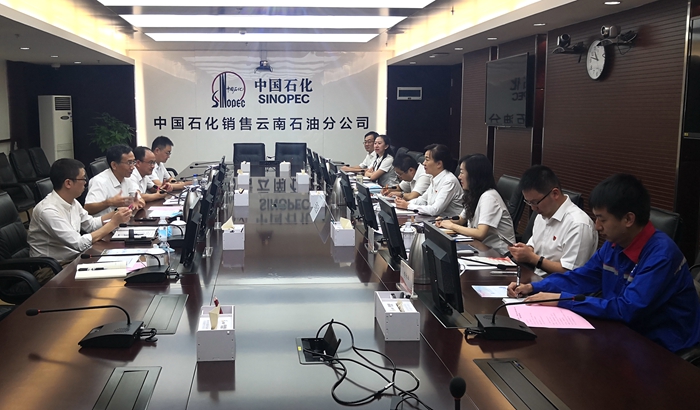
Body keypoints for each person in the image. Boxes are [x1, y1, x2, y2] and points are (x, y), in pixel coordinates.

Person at [507, 174, 700, 352]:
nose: (597, 226)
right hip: (622, 334)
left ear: (628, 219)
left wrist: (562, 299)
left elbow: (627, 309)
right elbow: (581, 278)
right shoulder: (614, 245)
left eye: (602, 219)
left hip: (664, 347)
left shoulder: (661, 255)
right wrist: (533, 287)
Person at [28, 159, 132, 278]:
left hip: (74, 258)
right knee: (110, 276)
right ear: (68, 183)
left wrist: (115, 213)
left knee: (120, 266)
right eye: (83, 179)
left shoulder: (73, 202)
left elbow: (91, 224)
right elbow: (79, 243)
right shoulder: (47, 211)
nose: (85, 183)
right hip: (52, 269)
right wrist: (113, 223)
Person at [507, 165, 598, 276]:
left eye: (535, 202)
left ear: (555, 194)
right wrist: (524, 251)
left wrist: (532, 258)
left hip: (561, 285)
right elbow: (534, 245)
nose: (533, 208)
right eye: (529, 202)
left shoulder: (578, 224)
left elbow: (571, 273)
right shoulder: (542, 214)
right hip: (536, 279)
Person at [436, 154, 515, 254]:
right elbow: (461, 219)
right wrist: (445, 221)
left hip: (499, 254)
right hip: (480, 248)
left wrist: (452, 226)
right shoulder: (474, 194)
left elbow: (480, 233)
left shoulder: (489, 197)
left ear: (474, 175)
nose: (459, 177)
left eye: (462, 172)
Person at [395, 144, 463, 217]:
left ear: (439, 164)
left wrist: (408, 206)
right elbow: (423, 199)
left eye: (427, 160)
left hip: (449, 221)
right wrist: (406, 203)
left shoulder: (449, 181)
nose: (424, 163)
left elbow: (435, 210)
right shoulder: (434, 178)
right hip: (436, 220)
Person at [85, 144, 144, 217]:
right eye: (129, 163)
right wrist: (110, 202)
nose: (133, 167)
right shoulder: (99, 181)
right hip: (106, 223)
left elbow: (138, 198)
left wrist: (138, 202)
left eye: (133, 162)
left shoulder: (127, 178)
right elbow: (87, 209)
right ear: (114, 165)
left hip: (123, 220)